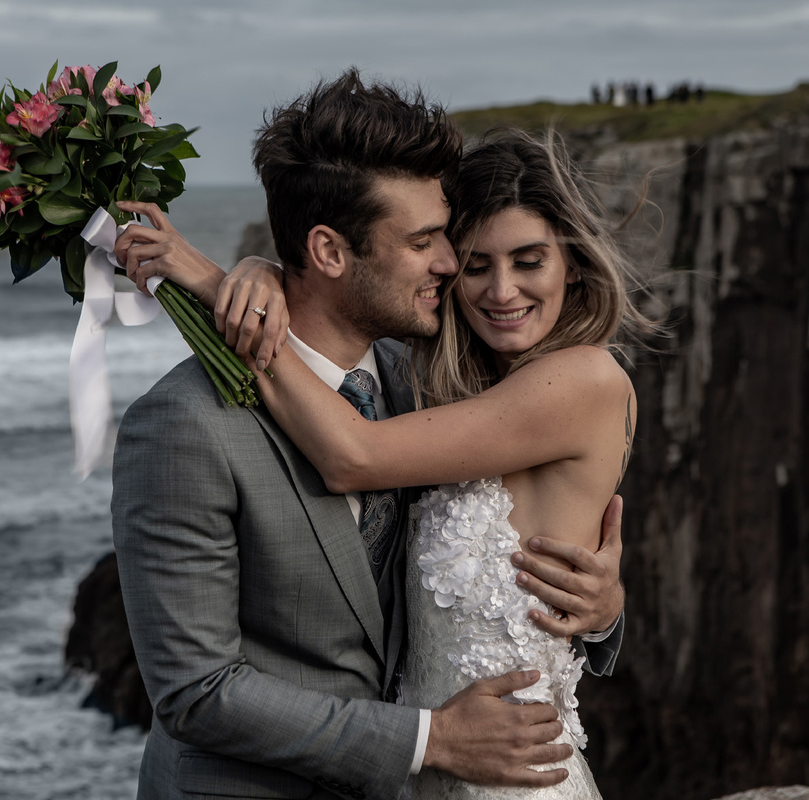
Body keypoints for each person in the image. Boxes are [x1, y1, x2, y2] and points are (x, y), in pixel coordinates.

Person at [111, 70, 626, 800]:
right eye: (427, 243)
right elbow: (196, 692)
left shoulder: (418, 383)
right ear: (327, 252)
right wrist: (429, 740)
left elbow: (509, 539)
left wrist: (602, 612)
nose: (453, 266)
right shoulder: (182, 426)